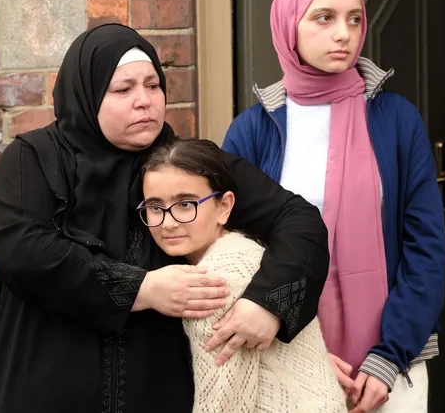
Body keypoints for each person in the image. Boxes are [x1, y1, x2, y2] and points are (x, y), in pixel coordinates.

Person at [0, 23, 330, 413]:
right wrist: (141, 289)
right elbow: (22, 249)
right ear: (87, 94)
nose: (144, 101)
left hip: (155, 390)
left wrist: (268, 304)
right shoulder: (35, 158)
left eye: (153, 85)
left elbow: (298, 219)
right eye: (123, 90)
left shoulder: (180, 163)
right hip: (40, 388)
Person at [222, 0, 445, 412]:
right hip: (288, 362)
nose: (344, 33)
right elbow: (233, 252)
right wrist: (300, 349)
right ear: (289, 23)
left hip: (391, 371)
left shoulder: (397, 120)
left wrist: (388, 357)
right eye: (324, 17)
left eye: (354, 19)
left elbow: (426, 247)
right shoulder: (253, 131)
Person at [139, 138, 347, 413]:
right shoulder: (253, 251)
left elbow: (223, 405)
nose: (168, 222)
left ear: (224, 206)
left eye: (186, 204)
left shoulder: (208, 286)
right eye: (155, 208)